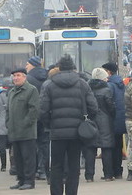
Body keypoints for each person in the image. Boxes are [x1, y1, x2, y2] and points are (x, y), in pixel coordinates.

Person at [40, 54, 98, 195]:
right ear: (73, 68)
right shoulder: (82, 84)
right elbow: (94, 108)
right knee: (73, 166)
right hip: (77, 133)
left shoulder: (50, 85)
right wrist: (85, 120)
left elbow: (42, 111)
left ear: (59, 68)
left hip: (57, 133)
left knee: (56, 166)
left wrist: (51, 124)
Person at [7, 68, 39, 190]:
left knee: (28, 158)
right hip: (14, 132)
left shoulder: (31, 90)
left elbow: (33, 110)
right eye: (14, 75)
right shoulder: (11, 92)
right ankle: (21, 180)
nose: (15, 78)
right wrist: (8, 123)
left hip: (27, 132)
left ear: (24, 77)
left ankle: (29, 181)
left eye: (18, 75)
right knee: (18, 158)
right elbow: (8, 110)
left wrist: (24, 124)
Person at [85, 68, 115, 182]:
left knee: (90, 148)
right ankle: (108, 175)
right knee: (106, 148)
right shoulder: (106, 90)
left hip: (91, 121)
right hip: (105, 121)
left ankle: (89, 176)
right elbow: (111, 107)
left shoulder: (87, 89)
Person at [25, 56, 49, 181]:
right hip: (44, 115)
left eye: (27, 64)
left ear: (33, 65)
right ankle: (43, 170)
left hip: (32, 115)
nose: (26, 66)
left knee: (31, 143)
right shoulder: (47, 76)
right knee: (44, 143)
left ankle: (32, 170)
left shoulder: (28, 79)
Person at [102, 62, 126, 179]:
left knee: (111, 146)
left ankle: (111, 171)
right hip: (121, 119)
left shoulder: (109, 85)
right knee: (118, 145)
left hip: (111, 119)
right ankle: (118, 171)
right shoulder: (121, 83)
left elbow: (108, 102)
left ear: (108, 72)